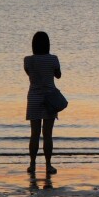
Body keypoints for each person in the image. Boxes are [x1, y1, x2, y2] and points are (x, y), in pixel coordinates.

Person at [24, 31, 62, 174]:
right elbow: (58, 75)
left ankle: (32, 165)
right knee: (47, 134)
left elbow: (30, 75)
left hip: (33, 98)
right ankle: (48, 165)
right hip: (49, 99)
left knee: (34, 134)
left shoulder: (28, 60)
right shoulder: (53, 59)